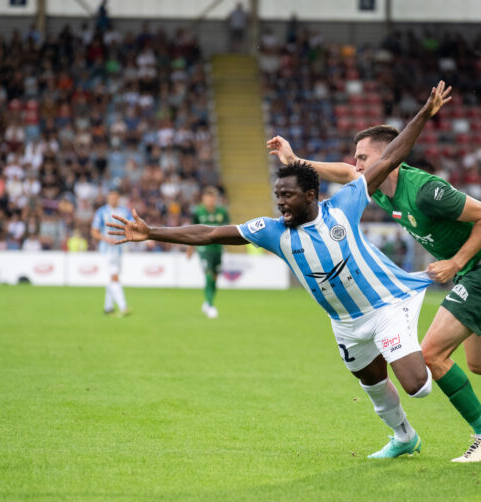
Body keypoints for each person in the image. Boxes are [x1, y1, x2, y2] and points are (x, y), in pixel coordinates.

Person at [108, 82, 451, 459]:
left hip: (383, 307)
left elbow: (391, 156)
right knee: (372, 386)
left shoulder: (344, 205)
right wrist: (152, 231)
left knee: (419, 386)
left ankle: (427, 367)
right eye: (277, 196)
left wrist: (424, 112)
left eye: (286, 196)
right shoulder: (272, 231)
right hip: (346, 323)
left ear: (309, 196)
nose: (280, 203)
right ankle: (404, 437)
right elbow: (207, 233)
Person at [267, 125, 481, 463]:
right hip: (476, 270)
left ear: (388, 155)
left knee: (433, 354)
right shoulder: (375, 186)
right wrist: (295, 160)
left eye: (364, 156)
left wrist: (455, 262)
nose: (357, 164)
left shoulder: (424, 191)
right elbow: (344, 171)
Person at [186, 187, 230, 319]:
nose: (210, 201)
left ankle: (207, 301)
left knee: (215, 277)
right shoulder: (198, 212)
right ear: (203, 199)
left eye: (212, 198)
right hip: (204, 248)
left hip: (218, 249)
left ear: (215, 199)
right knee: (209, 275)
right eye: (207, 198)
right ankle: (211, 305)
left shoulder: (222, 211)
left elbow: (228, 228)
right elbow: (191, 231)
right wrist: (190, 248)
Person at [91, 189, 132, 317]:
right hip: (106, 250)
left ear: (118, 199)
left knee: (112, 278)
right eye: (111, 198)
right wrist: (105, 239)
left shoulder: (124, 211)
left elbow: (133, 226)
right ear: (108, 199)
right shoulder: (101, 212)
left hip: (119, 249)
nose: (113, 200)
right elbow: (94, 231)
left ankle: (108, 308)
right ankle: (123, 306)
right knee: (114, 276)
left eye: (115, 198)